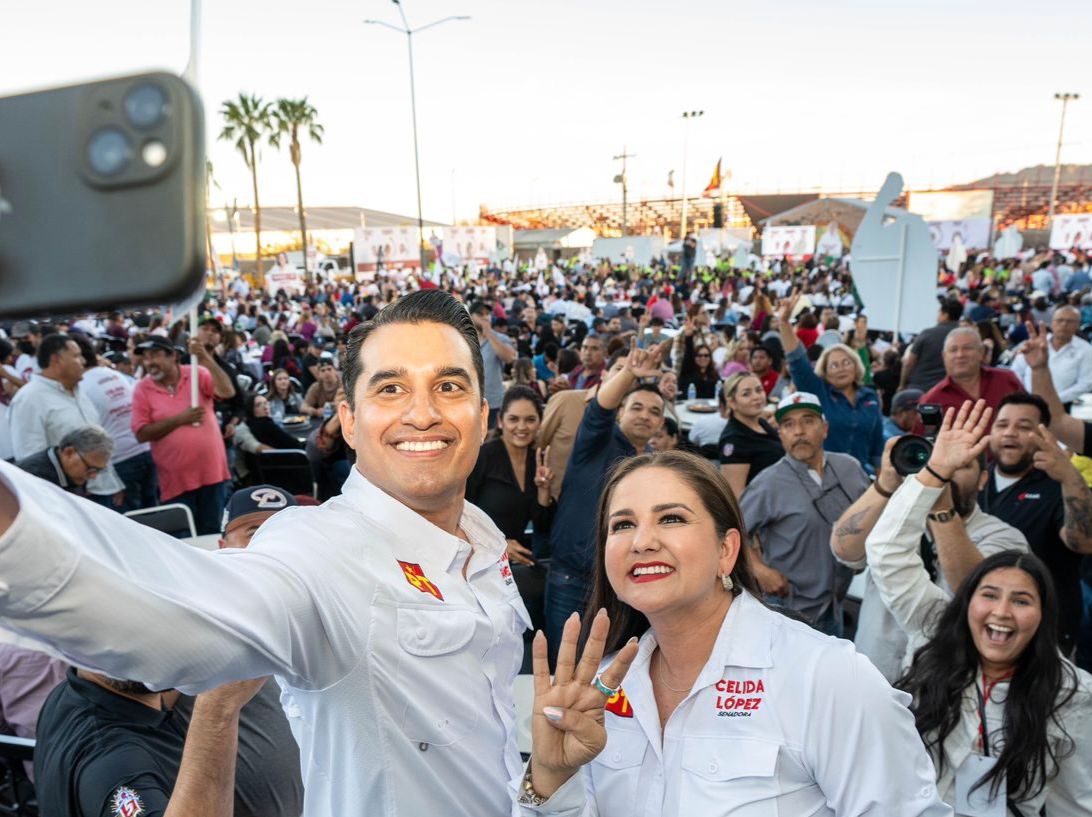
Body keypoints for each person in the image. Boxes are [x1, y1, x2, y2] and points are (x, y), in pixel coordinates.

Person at [0, 290, 533, 815]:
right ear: (348, 420)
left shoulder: (480, 534)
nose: (423, 413)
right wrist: (13, 527)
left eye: (447, 385)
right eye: (391, 388)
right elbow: (167, 615)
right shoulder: (319, 551)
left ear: (481, 416)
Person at [519, 451, 951, 816]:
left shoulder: (828, 677)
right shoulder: (599, 689)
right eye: (622, 525)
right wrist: (550, 778)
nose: (642, 541)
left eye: (671, 518)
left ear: (726, 550)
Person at [863, 404, 1091, 813]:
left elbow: (1075, 802)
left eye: (1021, 600)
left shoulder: (1071, 691)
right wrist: (932, 474)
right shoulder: (937, 626)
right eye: (988, 595)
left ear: (1043, 616)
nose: (1001, 612)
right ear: (966, 601)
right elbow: (885, 553)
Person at [831, 406, 1028, 682]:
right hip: (873, 676)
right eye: (935, 463)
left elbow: (975, 592)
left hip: (949, 684)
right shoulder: (892, 519)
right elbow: (843, 549)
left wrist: (938, 506)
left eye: (959, 466)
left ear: (983, 479)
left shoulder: (1005, 537)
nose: (945, 473)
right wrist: (885, 486)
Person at [545, 341, 665, 661]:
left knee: (609, 675)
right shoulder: (597, 441)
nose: (645, 416)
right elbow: (599, 411)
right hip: (572, 582)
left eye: (655, 412)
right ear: (621, 412)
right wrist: (629, 373)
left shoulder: (652, 466)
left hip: (618, 588)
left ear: (661, 425)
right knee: (565, 673)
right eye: (637, 407)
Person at [740, 392, 870, 636]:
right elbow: (730, 529)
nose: (798, 431)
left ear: (825, 428)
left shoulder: (849, 468)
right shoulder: (768, 483)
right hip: (787, 610)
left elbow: (873, 514)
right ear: (781, 434)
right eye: (788, 424)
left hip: (835, 605)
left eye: (808, 420)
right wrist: (759, 569)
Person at [978, 393, 1092, 654]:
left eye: (1024, 427)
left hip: (1045, 638)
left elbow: (1083, 541)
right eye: (1002, 424)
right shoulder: (973, 478)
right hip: (981, 630)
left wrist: (1069, 477)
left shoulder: (1061, 485)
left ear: (1045, 435)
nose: (1010, 433)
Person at [466, 385, 556, 671]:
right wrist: (497, 542)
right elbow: (456, 511)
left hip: (509, 564)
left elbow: (542, 524)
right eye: (515, 419)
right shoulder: (482, 456)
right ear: (500, 420)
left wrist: (543, 491)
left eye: (530, 420)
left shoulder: (536, 460)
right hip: (474, 560)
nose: (522, 427)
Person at [131, 336, 235, 535]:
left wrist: (205, 357)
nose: (149, 362)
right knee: (184, 538)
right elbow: (141, 434)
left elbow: (227, 391)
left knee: (212, 533)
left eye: (155, 355)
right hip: (175, 481)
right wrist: (180, 419)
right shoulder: (142, 389)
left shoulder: (197, 374)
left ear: (174, 356)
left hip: (212, 473)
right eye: (146, 357)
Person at [8, 333, 126, 507]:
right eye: (77, 356)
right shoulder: (30, 399)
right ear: (56, 360)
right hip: (71, 500)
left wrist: (113, 482)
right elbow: (30, 460)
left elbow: (99, 441)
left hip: (102, 491)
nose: (83, 362)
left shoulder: (78, 392)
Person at [778, 294, 884, 471]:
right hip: (824, 477)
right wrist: (784, 323)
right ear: (825, 373)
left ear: (856, 367)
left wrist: (882, 486)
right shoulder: (818, 392)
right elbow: (797, 361)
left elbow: (876, 443)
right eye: (834, 365)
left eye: (846, 362)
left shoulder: (870, 396)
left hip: (861, 478)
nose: (841, 368)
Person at [76, 336, 158, 511]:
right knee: (156, 513)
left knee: (133, 521)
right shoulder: (114, 374)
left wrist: (108, 478)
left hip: (121, 460)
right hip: (144, 451)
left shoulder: (81, 387)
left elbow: (94, 433)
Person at [919, 327, 1023, 430]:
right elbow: (920, 442)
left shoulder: (1007, 380)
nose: (960, 355)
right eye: (953, 349)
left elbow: (1032, 415)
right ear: (944, 356)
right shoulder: (931, 401)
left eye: (967, 348)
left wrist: (1037, 370)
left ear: (981, 352)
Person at [716, 372, 783, 499]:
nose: (756, 397)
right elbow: (735, 497)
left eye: (759, 390)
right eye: (746, 394)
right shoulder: (734, 440)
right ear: (732, 402)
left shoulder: (761, 423)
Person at [1011, 305, 1092, 406]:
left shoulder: (1086, 350)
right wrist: (1026, 395)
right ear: (1052, 323)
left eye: (1070, 321)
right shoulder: (1035, 344)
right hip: (1027, 401)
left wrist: (1054, 399)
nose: (1064, 325)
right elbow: (1016, 372)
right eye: (1060, 320)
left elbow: (1086, 383)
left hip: (1064, 405)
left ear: (1077, 325)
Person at [16, 425, 115, 495]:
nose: (93, 476)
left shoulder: (75, 473)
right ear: (69, 452)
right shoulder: (32, 476)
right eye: (90, 469)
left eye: (99, 471)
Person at [469, 300, 518, 428]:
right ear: (470, 316)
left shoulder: (500, 338)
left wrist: (489, 334)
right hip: (469, 402)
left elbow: (509, 358)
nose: (485, 317)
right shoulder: (463, 339)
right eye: (481, 314)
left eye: (488, 314)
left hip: (492, 402)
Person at [899, 299, 964, 392]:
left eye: (939, 312)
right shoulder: (966, 336)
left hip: (919, 388)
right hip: (950, 390)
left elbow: (909, 363)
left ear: (945, 315)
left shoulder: (927, 333)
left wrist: (902, 385)